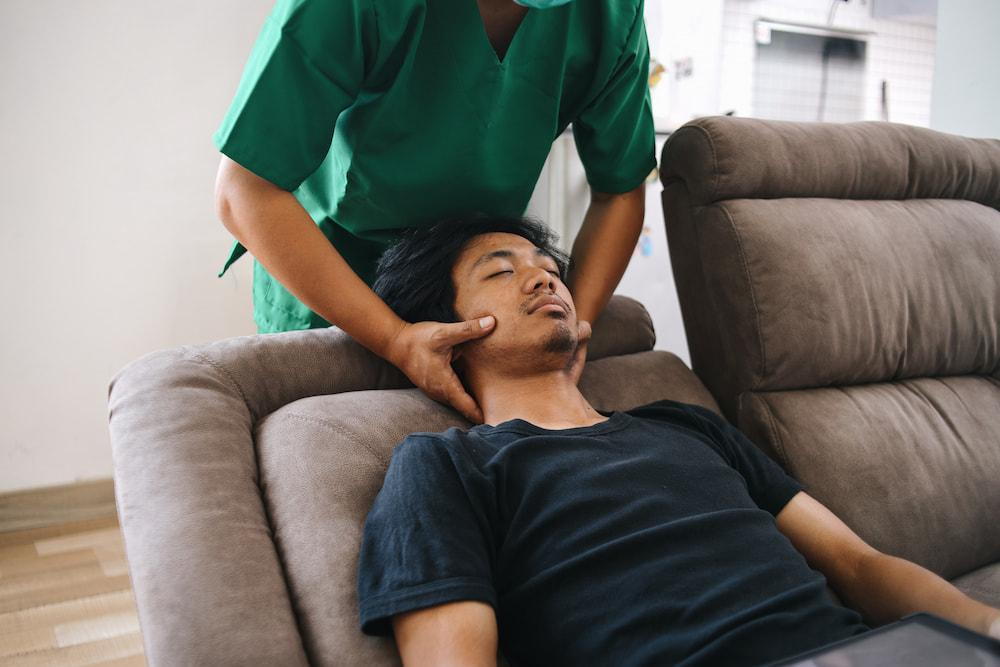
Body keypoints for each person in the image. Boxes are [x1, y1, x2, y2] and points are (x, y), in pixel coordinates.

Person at [355, 215, 1000, 666]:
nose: (544, 279)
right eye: (501, 271)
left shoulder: (685, 423)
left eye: (550, 268)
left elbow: (858, 564)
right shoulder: (445, 467)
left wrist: (987, 628)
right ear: (443, 329)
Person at [211, 0, 656, 424]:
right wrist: (394, 338)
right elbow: (245, 190)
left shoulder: (610, 13)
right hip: (334, 271)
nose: (544, 280)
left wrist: (574, 328)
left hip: (467, 288)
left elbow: (619, 190)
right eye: (503, 272)